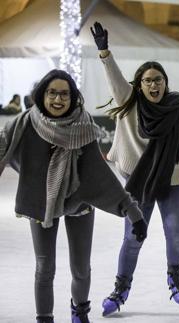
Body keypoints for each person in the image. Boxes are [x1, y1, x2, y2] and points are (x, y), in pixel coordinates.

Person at [90, 22, 179, 315]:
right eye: (147, 81)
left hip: (173, 179)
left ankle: (176, 278)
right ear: (138, 85)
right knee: (133, 237)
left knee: (175, 233)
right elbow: (115, 79)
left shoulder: (178, 108)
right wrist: (104, 52)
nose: (153, 85)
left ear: (165, 82)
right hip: (137, 181)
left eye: (158, 80)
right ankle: (121, 288)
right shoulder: (129, 104)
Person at [0, 69, 148, 323]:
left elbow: (99, 173)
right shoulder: (25, 123)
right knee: (44, 268)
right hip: (40, 203)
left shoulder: (83, 126)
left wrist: (132, 212)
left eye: (64, 94)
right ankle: (44, 318)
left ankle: (80, 312)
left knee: (81, 269)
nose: (58, 100)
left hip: (79, 202)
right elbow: (2, 142)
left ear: (73, 97)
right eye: (52, 93)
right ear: (42, 94)